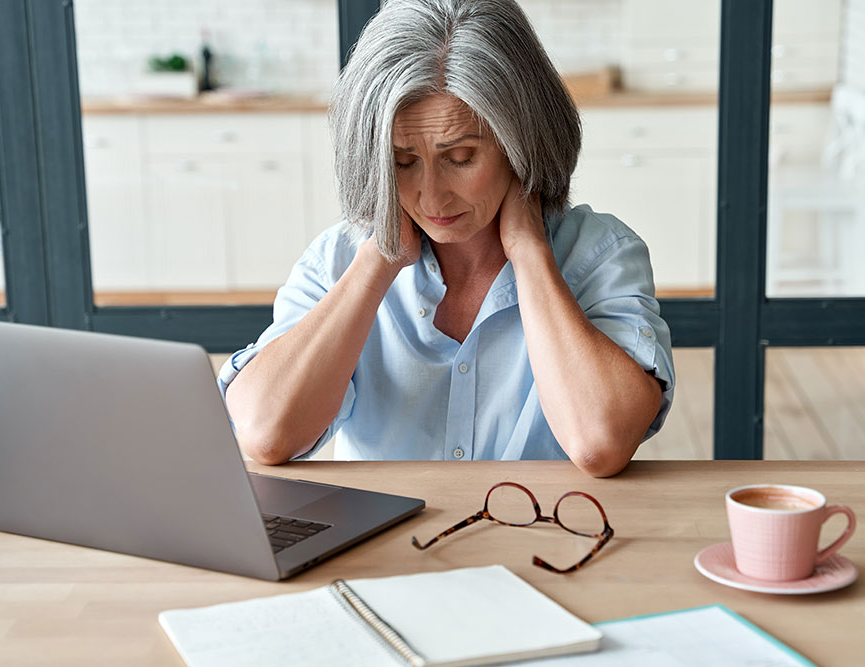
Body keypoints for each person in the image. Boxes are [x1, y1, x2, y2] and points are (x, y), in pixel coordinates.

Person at [220, 0, 675, 477]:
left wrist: (530, 253)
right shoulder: (336, 262)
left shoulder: (598, 255)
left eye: (460, 157)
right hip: (386, 549)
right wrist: (378, 261)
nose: (431, 195)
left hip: (545, 541)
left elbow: (600, 444)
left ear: (521, 142)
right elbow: (266, 434)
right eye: (401, 162)